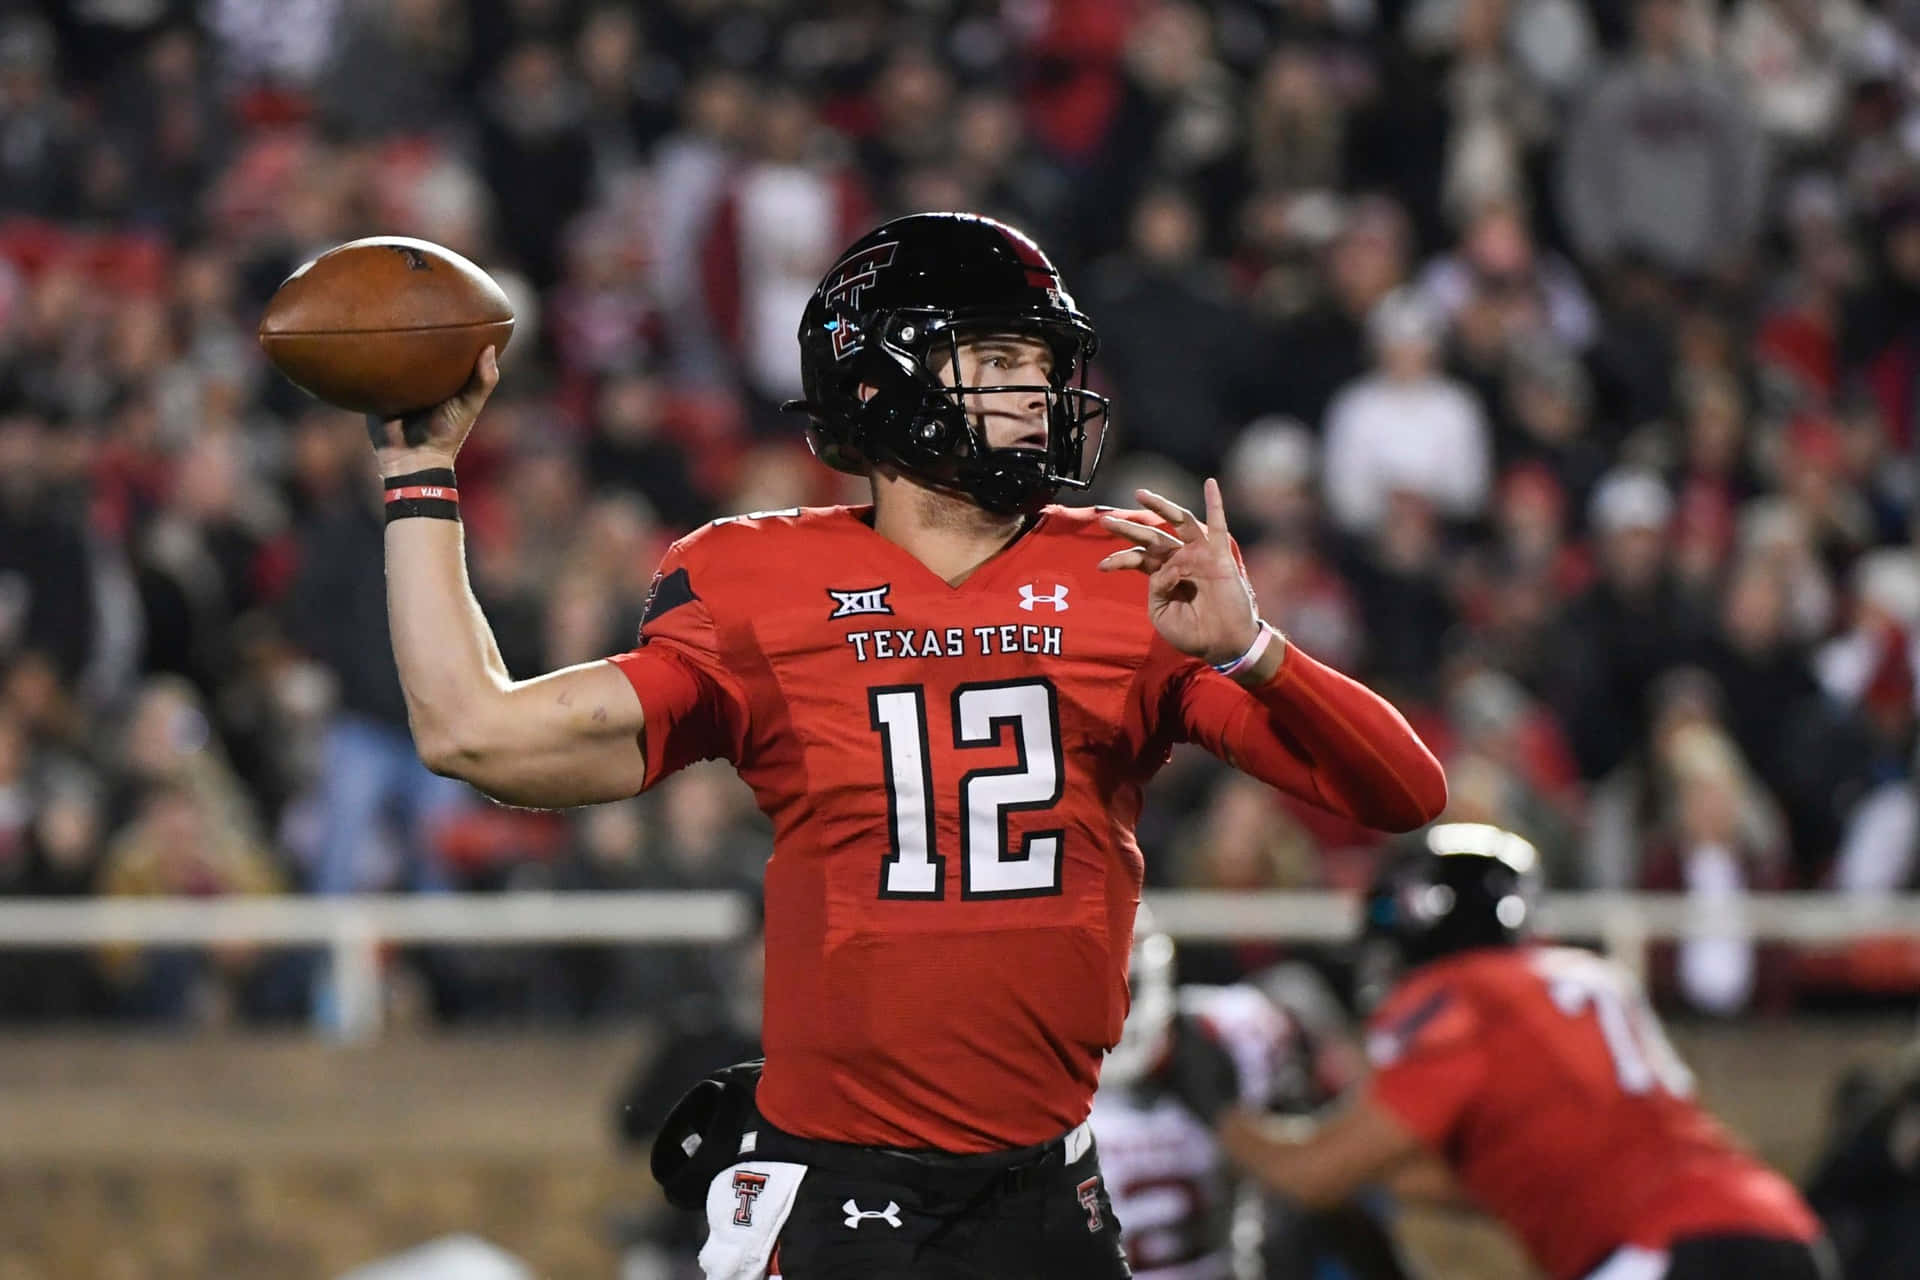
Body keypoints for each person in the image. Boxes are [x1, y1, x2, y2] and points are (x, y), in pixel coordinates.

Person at [366, 211, 1446, 1280]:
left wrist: (1256, 646)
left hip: (1047, 1187)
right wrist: (422, 471)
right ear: (880, 381)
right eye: (999, 358)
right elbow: (474, 731)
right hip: (840, 1192)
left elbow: (1403, 792)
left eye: (1041, 361)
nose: (1035, 392)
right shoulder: (760, 581)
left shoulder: (1125, 579)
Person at [1167, 822, 1834, 1280]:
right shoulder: (1577, 977)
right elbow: (1508, 1177)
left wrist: (1218, 1111)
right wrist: (1351, 1165)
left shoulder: (1463, 996)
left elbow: (1314, 1175)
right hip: (1781, 1234)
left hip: (1667, 1254)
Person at [1091, 911, 1414, 1280]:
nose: (1101, 1014)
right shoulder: (1020, 1087)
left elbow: (1352, 1160)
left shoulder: (1229, 1036)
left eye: (1121, 986)